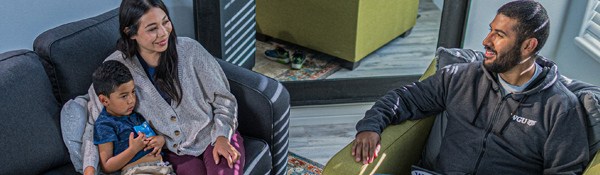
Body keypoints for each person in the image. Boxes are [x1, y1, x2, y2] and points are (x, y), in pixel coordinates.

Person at [352, 1, 589, 174]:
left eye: (499, 35)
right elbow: (405, 99)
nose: (486, 41)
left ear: (528, 46)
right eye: (490, 30)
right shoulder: (462, 76)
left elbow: (566, 172)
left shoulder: (560, 109)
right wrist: (371, 126)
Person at [81, 0, 245, 174]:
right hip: (171, 151)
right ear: (130, 33)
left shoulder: (191, 51)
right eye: (152, 28)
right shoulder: (115, 68)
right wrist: (89, 170)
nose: (163, 32)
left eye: (165, 22)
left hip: (214, 135)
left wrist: (222, 137)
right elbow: (94, 121)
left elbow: (224, 100)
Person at [91, 60, 173, 175]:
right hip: (138, 171)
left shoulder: (136, 116)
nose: (131, 100)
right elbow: (106, 166)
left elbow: (153, 138)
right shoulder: (105, 124)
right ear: (104, 100)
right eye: (124, 96)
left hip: (163, 168)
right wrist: (133, 150)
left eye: (133, 92)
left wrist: (161, 140)